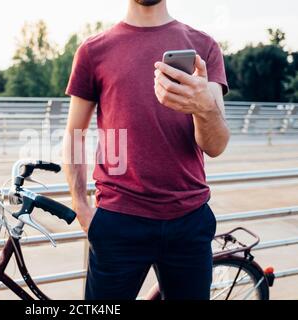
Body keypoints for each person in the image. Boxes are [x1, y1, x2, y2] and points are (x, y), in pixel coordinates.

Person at [62, 0, 230, 300]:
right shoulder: (93, 50)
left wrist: (204, 107)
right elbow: (75, 135)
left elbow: (215, 146)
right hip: (118, 220)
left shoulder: (203, 46)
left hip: (188, 221)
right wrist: (81, 208)